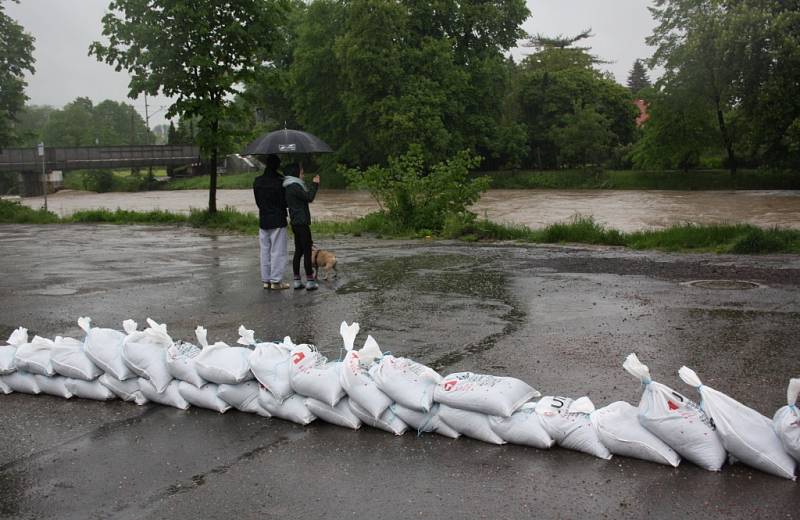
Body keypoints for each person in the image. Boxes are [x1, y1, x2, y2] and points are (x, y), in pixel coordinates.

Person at [253, 154, 290, 290]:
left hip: (263, 219)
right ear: (277, 165)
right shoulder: (281, 181)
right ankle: (276, 281)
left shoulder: (257, 181)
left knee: (265, 251)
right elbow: (285, 202)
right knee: (278, 251)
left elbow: (258, 202)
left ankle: (266, 281)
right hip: (278, 220)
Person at [283, 162, 320, 290]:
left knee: (299, 251)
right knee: (306, 250)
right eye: (302, 172)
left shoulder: (289, 186)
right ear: (296, 173)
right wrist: (315, 184)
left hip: (295, 222)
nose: (303, 175)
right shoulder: (294, 186)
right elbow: (309, 197)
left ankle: (297, 281)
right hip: (302, 223)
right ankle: (310, 281)